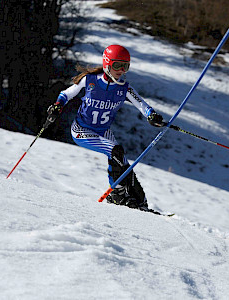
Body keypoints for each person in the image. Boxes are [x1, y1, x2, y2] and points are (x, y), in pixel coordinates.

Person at [47, 45, 164, 211]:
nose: (121, 70)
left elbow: (142, 105)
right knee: (115, 151)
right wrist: (58, 106)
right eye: (117, 65)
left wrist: (152, 115)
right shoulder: (90, 80)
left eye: (126, 66)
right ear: (107, 64)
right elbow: (66, 94)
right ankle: (116, 194)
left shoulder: (124, 88)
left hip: (103, 132)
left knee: (124, 164)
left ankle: (139, 201)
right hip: (82, 130)